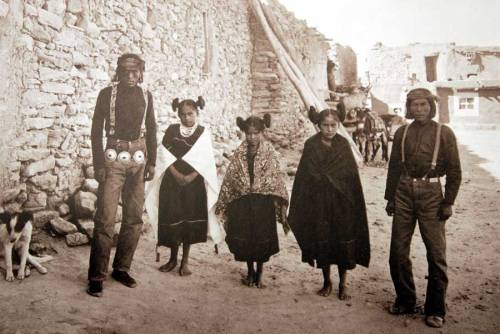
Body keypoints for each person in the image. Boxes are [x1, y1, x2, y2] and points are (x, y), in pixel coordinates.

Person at [385, 88, 461, 328]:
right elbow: (394, 168)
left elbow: (455, 171)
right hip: (404, 192)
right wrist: (390, 198)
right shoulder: (402, 133)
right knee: (397, 252)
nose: (419, 110)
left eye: (423, 105)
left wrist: (448, 202)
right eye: (414, 105)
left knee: (436, 255)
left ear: (431, 106)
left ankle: (435, 308)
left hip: (432, 195)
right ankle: (406, 300)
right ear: (408, 107)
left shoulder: (444, 133)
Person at [88, 53, 157, 297]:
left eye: (135, 71)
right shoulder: (107, 95)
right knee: (105, 217)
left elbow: (152, 130)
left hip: (139, 160)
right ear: (118, 72)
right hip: (113, 159)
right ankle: (97, 276)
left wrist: (152, 163)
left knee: (134, 218)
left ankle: (121, 268)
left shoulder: (146, 96)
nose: (130, 76)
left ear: (141, 72)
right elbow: (96, 131)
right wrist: (98, 164)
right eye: (125, 71)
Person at [288, 106, 370, 300]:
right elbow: (304, 175)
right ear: (318, 125)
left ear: (338, 125)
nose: (330, 129)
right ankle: (326, 281)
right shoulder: (311, 145)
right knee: (322, 240)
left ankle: (343, 283)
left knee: (342, 241)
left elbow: (350, 176)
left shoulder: (343, 145)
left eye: (334, 125)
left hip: (342, 204)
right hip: (319, 203)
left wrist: (338, 185)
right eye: (325, 125)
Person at [145, 97, 224, 276]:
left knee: (189, 220)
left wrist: (190, 177)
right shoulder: (172, 130)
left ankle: (185, 262)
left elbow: (206, 160)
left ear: (197, 113)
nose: (187, 118)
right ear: (178, 114)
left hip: (193, 184)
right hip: (172, 182)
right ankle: (172, 259)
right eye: (183, 114)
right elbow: (164, 154)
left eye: (190, 114)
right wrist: (177, 174)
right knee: (173, 218)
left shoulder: (203, 133)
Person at [215, 114, 289, 288]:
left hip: (263, 204)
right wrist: (241, 188)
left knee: (261, 239)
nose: (252, 137)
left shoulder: (269, 151)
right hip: (243, 203)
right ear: (244, 133)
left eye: (256, 133)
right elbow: (231, 177)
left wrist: (259, 186)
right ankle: (250, 272)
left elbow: (274, 177)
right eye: (248, 133)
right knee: (246, 238)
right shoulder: (240, 152)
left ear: (262, 132)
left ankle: (260, 274)